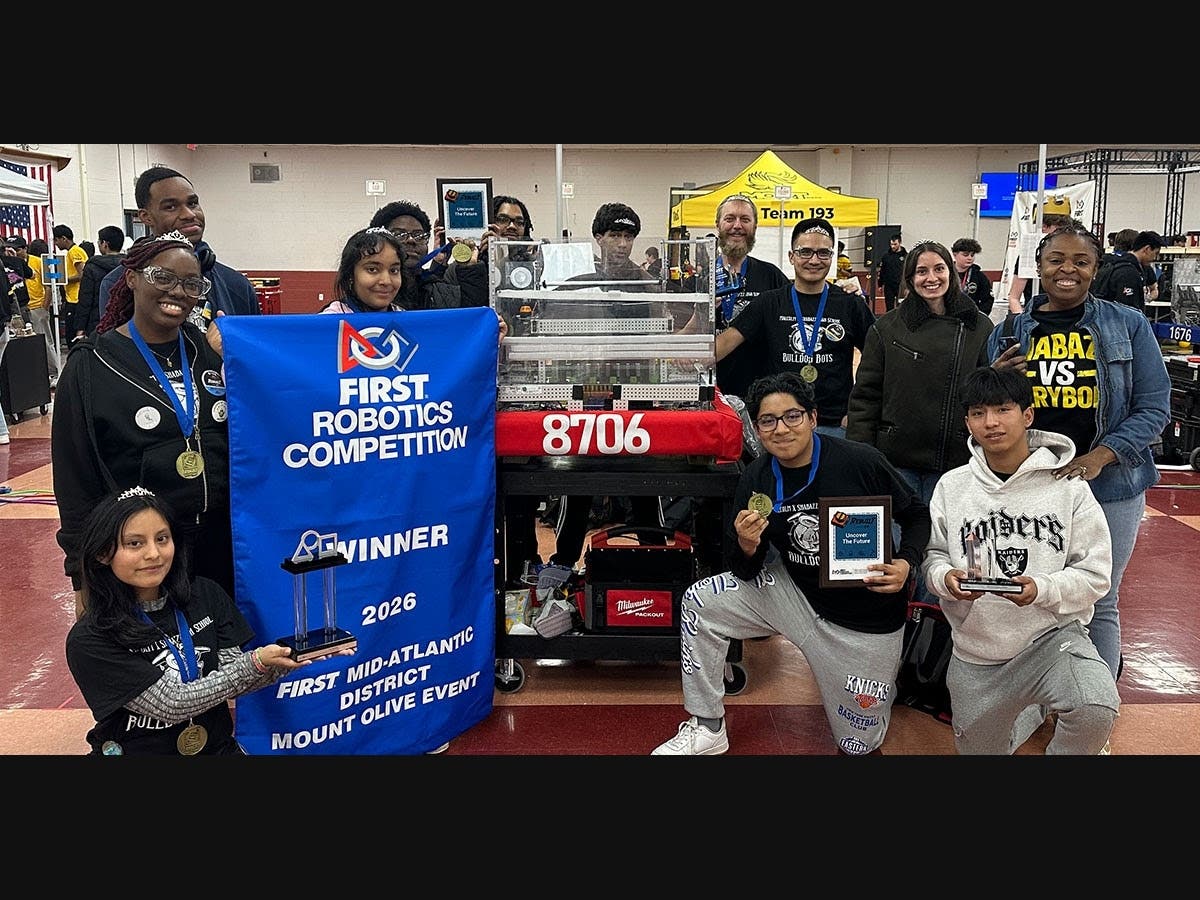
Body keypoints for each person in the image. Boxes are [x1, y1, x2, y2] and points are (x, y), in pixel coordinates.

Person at [650, 372, 929, 755]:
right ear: (758, 428)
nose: (780, 429)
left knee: (858, 745)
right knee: (701, 600)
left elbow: (917, 515)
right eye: (768, 420)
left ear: (813, 418)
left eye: (792, 416)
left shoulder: (860, 461)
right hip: (793, 595)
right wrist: (747, 546)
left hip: (863, 621)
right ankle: (708, 726)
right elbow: (744, 570)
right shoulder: (757, 476)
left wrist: (906, 564)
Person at [989, 218, 1171, 680]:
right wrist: (996, 374)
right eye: (1056, 260)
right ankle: (1037, 698)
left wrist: (1102, 455)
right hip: (1033, 487)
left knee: (1099, 598)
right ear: (1039, 266)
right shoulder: (1011, 330)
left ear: (1095, 268)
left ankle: (1095, 710)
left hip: (1112, 487)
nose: (1067, 269)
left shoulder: (1127, 325)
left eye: (1081, 260)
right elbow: (988, 409)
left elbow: (1154, 407)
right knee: (1030, 595)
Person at [65, 485, 353, 755]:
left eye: (162, 539)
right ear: (103, 553)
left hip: (215, 748)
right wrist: (256, 662)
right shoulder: (91, 638)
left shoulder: (203, 594)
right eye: (134, 543)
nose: (153, 554)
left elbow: (233, 678)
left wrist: (289, 660)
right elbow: (173, 703)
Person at [923, 365, 1119, 755]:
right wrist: (945, 579)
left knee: (1096, 704)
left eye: (1003, 410)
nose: (991, 423)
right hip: (977, 651)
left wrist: (1042, 589)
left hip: (1050, 639)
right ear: (967, 422)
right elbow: (934, 557)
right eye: (978, 413)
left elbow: (1096, 575)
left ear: (1027, 415)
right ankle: (1030, 711)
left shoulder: (1069, 487)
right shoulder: (952, 486)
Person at [53, 232, 233, 621]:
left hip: (223, 551)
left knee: (226, 666)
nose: (178, 292)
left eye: (191, 283)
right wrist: (80, 578)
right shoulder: (91, 365)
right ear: (132, 277)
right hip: (141, 557)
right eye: (162, 277)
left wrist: (238, 355)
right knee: (155, 673)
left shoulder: (210, 354)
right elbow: (74, 481)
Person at [846, 240, 993, 604]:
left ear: (951, 273)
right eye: (922, 272)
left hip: (958, 463)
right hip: (899, 462)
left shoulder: (980, 327)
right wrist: (863, 460)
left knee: (948, 552)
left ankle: (930, 631)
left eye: (939, 269)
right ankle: (894, 623)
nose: (932, 278)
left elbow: (989, 394)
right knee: (898, 551)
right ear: (909, 279)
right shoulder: (887, 328)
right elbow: (865, 398)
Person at [538, 202, 666, 590]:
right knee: (577, 488)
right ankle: (562, 564)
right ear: (598, 238)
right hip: (584, 400)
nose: (622, 244)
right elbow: (551, 330)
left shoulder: (646, 283)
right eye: (614, 235)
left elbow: (658, 338)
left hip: (636, 398)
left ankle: (659, 565)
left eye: (628, 236)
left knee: (646, 488)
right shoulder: (576, 283)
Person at [716, 217, 874, 439]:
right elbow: (723, 343)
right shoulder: (769, 303)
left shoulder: (850, 304)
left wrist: (857, 412)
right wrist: (677, 359)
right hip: (781, 424)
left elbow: (879, 360)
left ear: (832, 257)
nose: (814, 260)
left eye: (823, 253)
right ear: (792, 257)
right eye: (805, 252)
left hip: (835, 425)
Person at [97, 167, 261, 330]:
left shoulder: (237, 286)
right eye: (171, 207)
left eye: (193, 203)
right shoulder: (119, 283)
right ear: (146, 217)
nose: (189, 214)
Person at [704, 193, 790, 400]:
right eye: (729, 218)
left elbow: (799, 307)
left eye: (745, 219)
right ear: (718, 225)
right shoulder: (699, 279)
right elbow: (681, 337)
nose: (737, 226)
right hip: (709, 391)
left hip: (760, 394)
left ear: (755, 227)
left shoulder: (772, 276)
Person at [368, 199, 489, 309]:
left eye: (419, 235)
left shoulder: (436, 290)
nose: (411, 240)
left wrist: (469, 268)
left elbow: (471, 318)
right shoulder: (369, 290)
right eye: (399, 234)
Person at [318, 226, 408, 314]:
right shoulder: (331, 321)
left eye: (394, 270)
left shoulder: (406, 319)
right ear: (350, 275)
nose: (386, 281)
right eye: (372, 269)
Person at [1004, 213, 1074, 314]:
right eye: (1057, 230)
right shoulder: (1028, 255)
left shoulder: (1071, 257)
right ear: (1044, 227)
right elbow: (1014, 297)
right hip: (1035, 316)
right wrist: (1021, 322)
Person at [12, 237, 58, 384]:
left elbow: (49, 286)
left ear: (25, 249)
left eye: (18, 249)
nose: (15, 252)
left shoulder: (38, 262)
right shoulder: (10, 264)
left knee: (45, 341)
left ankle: (54, 373)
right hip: (20, 308)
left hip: (37, 307)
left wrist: (44, 308)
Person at [75, 225, 126, 337]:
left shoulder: (92, 267)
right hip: (125, 320)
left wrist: (81, 327)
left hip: (98, 321)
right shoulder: (129, 266)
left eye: (99, 241)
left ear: (105, 244)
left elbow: (85, 299)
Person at [52, 224, 90, 345]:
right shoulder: (72, 252)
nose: (55, 243)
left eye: (56, 240)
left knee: (72, 336)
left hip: (76, 299)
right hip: (72, 298)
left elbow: (82, 274)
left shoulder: (75, 251)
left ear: (64, 238)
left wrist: (64, 280)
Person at [950, 237, 994, 315]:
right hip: (949, 315)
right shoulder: (946, 274)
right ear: (955, 255)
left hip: (971, 316)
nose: (970, 258)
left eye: (972, 255)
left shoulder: (979, 276)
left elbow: (987, 300)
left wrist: (979, 315)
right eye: (965, 255)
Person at [874, 233, 906, 312]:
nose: (893, 246)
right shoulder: (886, 257)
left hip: (901, 286)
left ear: (900, 243)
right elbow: (882, 271)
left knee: (901, 307)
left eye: (895, 244)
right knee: (889, 308)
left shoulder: (906, 256)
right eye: (891, 244)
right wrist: (880, 284)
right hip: (889, 285)